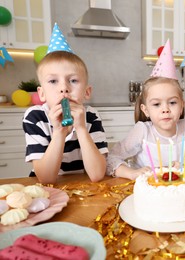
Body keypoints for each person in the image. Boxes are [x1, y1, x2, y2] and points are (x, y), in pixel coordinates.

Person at [106, 40, 185, 179]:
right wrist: (131, 173)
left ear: (182, 105)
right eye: (156, 104)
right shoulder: (142, 131)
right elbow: (111, 159)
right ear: (145, 110)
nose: (165, 109)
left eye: (172, 102)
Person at [22, 24, 108, 184]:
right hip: (48, 191)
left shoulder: (90, 116)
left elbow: (97, 175)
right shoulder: (35, 116)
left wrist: (81, 128)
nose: (64, 88)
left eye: (73, 80)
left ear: (86, 92)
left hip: (83, 187)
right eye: (53, 81)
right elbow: (46, 179)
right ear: (41, 93)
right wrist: (59, 133)